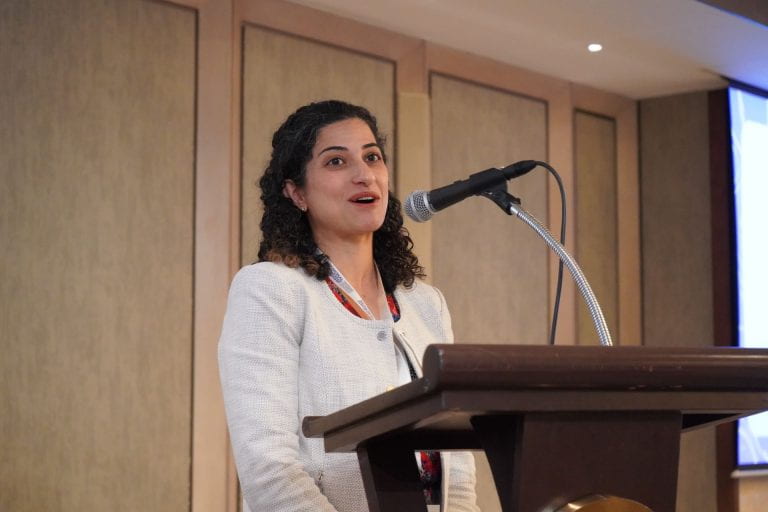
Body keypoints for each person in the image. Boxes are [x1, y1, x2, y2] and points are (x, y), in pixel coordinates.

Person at [218, 100, 478, 512]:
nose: (364, 175)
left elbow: (458, 474)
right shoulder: (269, 290)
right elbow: (269, 471)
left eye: (372, 157)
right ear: (296, 192)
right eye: (336, 161)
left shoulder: (426, 305)